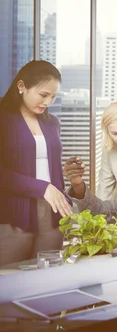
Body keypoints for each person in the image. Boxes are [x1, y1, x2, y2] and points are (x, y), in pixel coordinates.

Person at [0, 60, 73, 265]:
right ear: (21, 86)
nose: (48, 102)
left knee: (47, 278)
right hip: (13, 215)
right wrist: (42, 188)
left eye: (53, 96)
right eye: (43, 95)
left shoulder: (52, 123)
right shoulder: (2, 118)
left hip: (52, 214)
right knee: (9, 280)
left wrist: (64, 195)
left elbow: (54, 169)